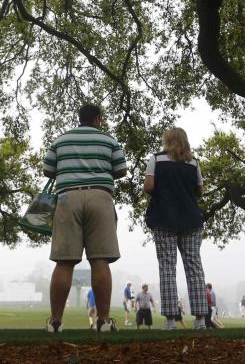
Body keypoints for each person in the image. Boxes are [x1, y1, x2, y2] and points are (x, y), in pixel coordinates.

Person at [43, 103, 127, 333]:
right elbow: (121, 170)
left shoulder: (61, 139)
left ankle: (56, 322)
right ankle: (104, 321)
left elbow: (47, 170)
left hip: (67, 198)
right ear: (98, 118)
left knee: (64, 261)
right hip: (100, 197)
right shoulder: (109, 140)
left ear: (79, 118)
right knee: (100, 260)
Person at [143, 127, 209, 331]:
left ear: (167, 140)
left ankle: (171, 320)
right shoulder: (194, 163)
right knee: (194, 268)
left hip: (164, 219)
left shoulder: (156, 159)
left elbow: (149, 187)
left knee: (167, 268)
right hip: (190, 219)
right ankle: (200, 320)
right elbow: (199, 191)